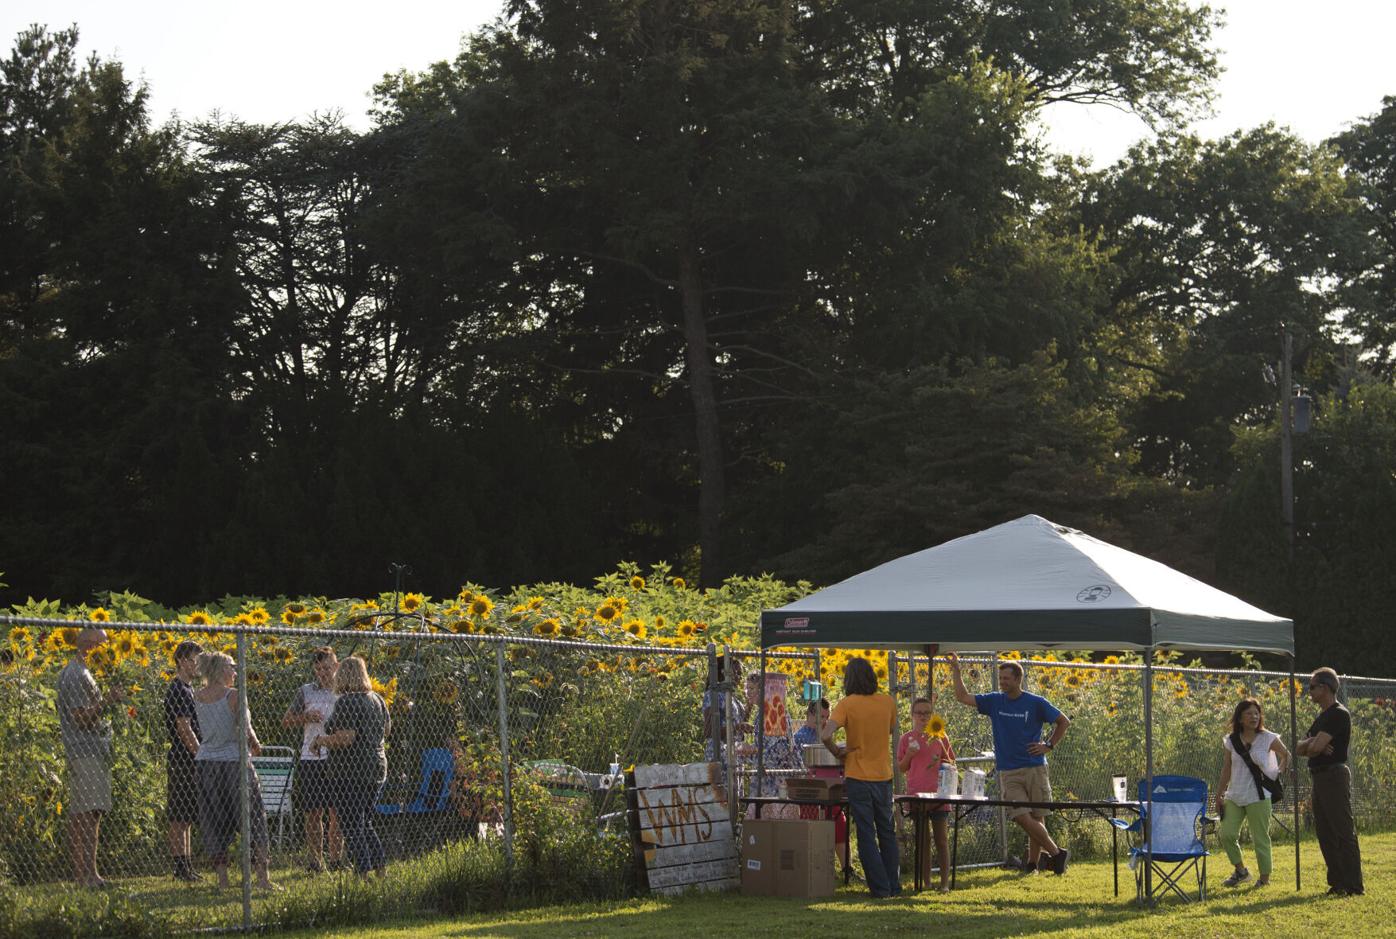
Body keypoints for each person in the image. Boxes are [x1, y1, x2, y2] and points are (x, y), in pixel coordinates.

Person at [948, 654, 1071, 875]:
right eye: (1000, 678)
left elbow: (1063, 721)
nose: (1002, 682)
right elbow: (962, 696)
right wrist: (956, 670)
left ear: (1018, 680)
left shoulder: (1035, 702)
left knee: (1036, 815)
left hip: (1035, 767)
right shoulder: (995, 700)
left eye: (1006, 678)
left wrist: (1049, 745)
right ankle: (1055, 852)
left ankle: (1033, 865)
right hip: (1008, 771)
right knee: (1020, 815)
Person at [193, 651, 277, 891]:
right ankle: (262, 877)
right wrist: (256, 745)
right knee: (254, 817)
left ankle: (223, 880)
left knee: (214, 820)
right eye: (232, 667)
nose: (235, 672)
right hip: (234, 762)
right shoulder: (234, 695)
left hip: (207, 761)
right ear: (221, 670)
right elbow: (245, 728)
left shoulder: (198, 696)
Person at [822, 657, 900, 898]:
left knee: (866, 833)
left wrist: (837, 751)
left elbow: (826, 734)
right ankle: (894, 885)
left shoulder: (847, 704)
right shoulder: (888, 702)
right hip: (884, 775)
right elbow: (889, 730)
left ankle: (879, 888)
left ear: (849, 680)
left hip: (857, 775)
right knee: (887, 831)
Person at [56, 627, 124, 888]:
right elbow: (80, 718)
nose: (108, 651)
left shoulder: (87, 672)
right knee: (83, 814)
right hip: (84, 750)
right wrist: (108, 700)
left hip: (95, 750)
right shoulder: (75, 675)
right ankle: (83, 877)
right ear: (89, 645)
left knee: (93, 813)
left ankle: (91, 875)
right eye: (104, 646)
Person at [312, 656, 391, 878]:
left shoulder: (347, 701)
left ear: (343, 675)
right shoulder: (376, 698)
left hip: (350, 772)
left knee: (351, 823)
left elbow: (345, 738)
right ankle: (380, 868)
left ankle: (362, 871)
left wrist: (320, 740)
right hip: (376, 768)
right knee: (364, 821)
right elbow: (387, 731)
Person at [1297, 667, 1364, 896]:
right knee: (1325, 831)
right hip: (1319, 777)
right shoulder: (1321, 718)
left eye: (1312, 687)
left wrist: (1313, 744)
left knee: (1342, 830)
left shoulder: (1338, 713)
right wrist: (1315, 742)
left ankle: (1353, 885)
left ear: (1325, 688)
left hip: (1334, 775)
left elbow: (1312, 748)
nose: (1309, 691)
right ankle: (1337, 883)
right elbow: (1299, 748)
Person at [1216, 698, 1289, 887]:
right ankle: (1241, 871)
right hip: (1235, 795)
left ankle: (1264, 879)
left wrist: (1279, 772)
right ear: (1240, 718)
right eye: (1249, 713)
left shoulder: (1268, 737)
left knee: (1260, 838)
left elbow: (1286, 755)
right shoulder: (1231, 741)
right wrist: (1219, 794)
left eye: (1256, 713)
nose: (1254, 716)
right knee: (1227, 834)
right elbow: (1226, 768)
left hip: (1259, 795)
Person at [283, 646, 343, 872]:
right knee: (313, 812)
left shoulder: (344, 691)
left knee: (337, 813)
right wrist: (305, 717)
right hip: (311, 757)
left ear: (336, 666)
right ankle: (315, 860)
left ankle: (336, 860)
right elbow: (287, 721)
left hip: (338, 759)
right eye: (318, 669)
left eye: (326, 668)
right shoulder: (306, 691)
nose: (322, 673)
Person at [898, 697, 956, 893]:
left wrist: (941, 763)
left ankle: (945, 883)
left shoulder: (941, 737)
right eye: (919, 713)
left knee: (941, 839)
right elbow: (901, 767)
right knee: (923, 840)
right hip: (916, 795)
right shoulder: (906, 739)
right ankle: (926, 882)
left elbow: (952, 764)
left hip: (939, 795)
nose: (923, 717)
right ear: (912, 715)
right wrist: (910, 755)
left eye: (927, 713)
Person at [164, 639, 204, 882]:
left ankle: (187, 865)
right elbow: (183, 726)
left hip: (190, 758)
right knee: (179, 816)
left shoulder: (189, 689)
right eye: (193, 660)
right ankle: (180, 867)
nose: (196, 665)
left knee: (187, 815)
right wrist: (199, 753)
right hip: (183, 758)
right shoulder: (178, 689)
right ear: (180, 660)